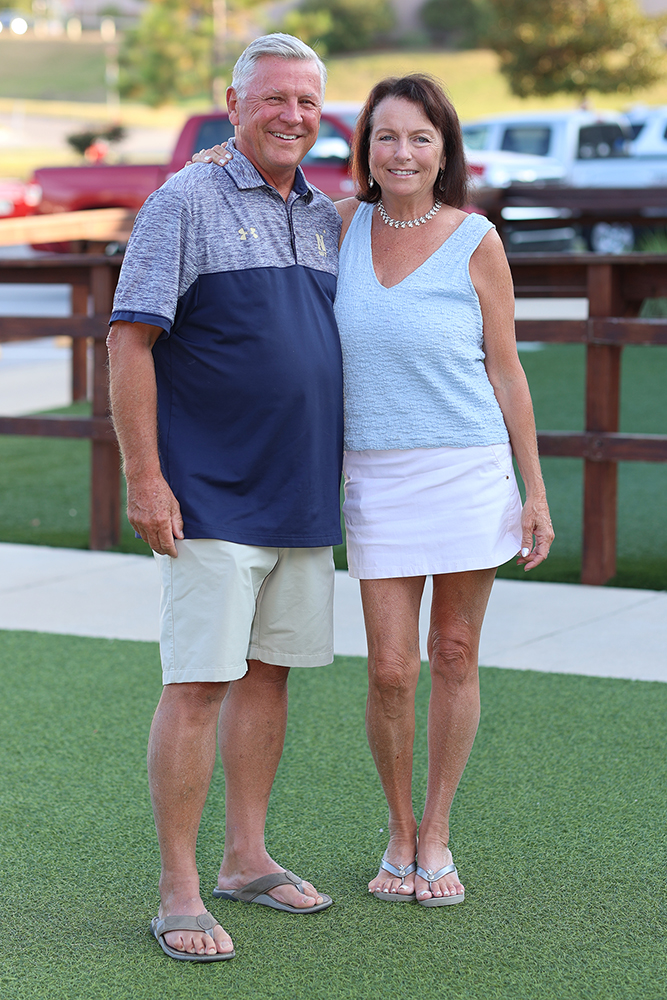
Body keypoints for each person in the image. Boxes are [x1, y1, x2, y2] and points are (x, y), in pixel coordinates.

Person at [194, 72, 554, 908]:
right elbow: (262, 205)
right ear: (364, 150)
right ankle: (397, 831)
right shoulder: (340, 223)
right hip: (376, 474)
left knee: (453, 654)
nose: (401, 153)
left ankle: (436, 834)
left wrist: (533, 491)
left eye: (419, 138)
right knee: (391, 669)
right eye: (385, 136)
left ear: (443, 151)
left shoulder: (476, 239)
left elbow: (506, 372)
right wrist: (219, 159)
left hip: (467, 468)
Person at [106, 33, 342, 962]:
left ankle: (246, 859)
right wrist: (146, 477)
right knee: (199, 683)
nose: (292, 115)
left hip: (301, 495)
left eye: (307, 102)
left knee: (269, 676)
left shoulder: (325, 216)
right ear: (234, 104)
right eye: (273, 98)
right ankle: (179, 890)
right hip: (208, 494)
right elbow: (129, 340)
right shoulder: (184, 200)